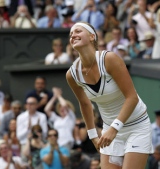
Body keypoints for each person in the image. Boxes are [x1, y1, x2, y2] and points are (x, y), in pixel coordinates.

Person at [66, 22, 154, 169]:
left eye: (78, 31)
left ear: (92, 36)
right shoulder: (72, 74)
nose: (73, 35)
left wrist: (114, 128)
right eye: (71, 34)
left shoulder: (110, 59)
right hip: (110, 130)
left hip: (137, 126)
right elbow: (85, 104)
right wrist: (93, 135)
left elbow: (132, 97)